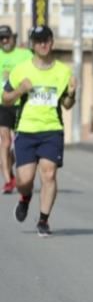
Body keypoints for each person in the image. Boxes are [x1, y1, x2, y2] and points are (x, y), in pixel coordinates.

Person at [2, 25, 75, 236]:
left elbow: (67, 104)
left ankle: (43, 220)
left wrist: (71, 93)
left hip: (52, 130)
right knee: (24, 180)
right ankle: (24, 198)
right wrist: (19, 90)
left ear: (52, 42)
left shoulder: (62, 71)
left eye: (46, 40)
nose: (43, 44)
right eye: (38, 41)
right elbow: (6, 100)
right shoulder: (21, 70)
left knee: (49, 174)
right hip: (25, 129)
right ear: (33, 45)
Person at [0, 25, 33, 193]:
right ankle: (8, 180)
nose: (4, 41)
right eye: (1, 38)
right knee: (5, 141)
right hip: (2, 104)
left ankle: (6, 165)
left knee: (19, 142)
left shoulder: (25, 54)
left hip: (22, 103)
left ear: (13, 37)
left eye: (7, 37)